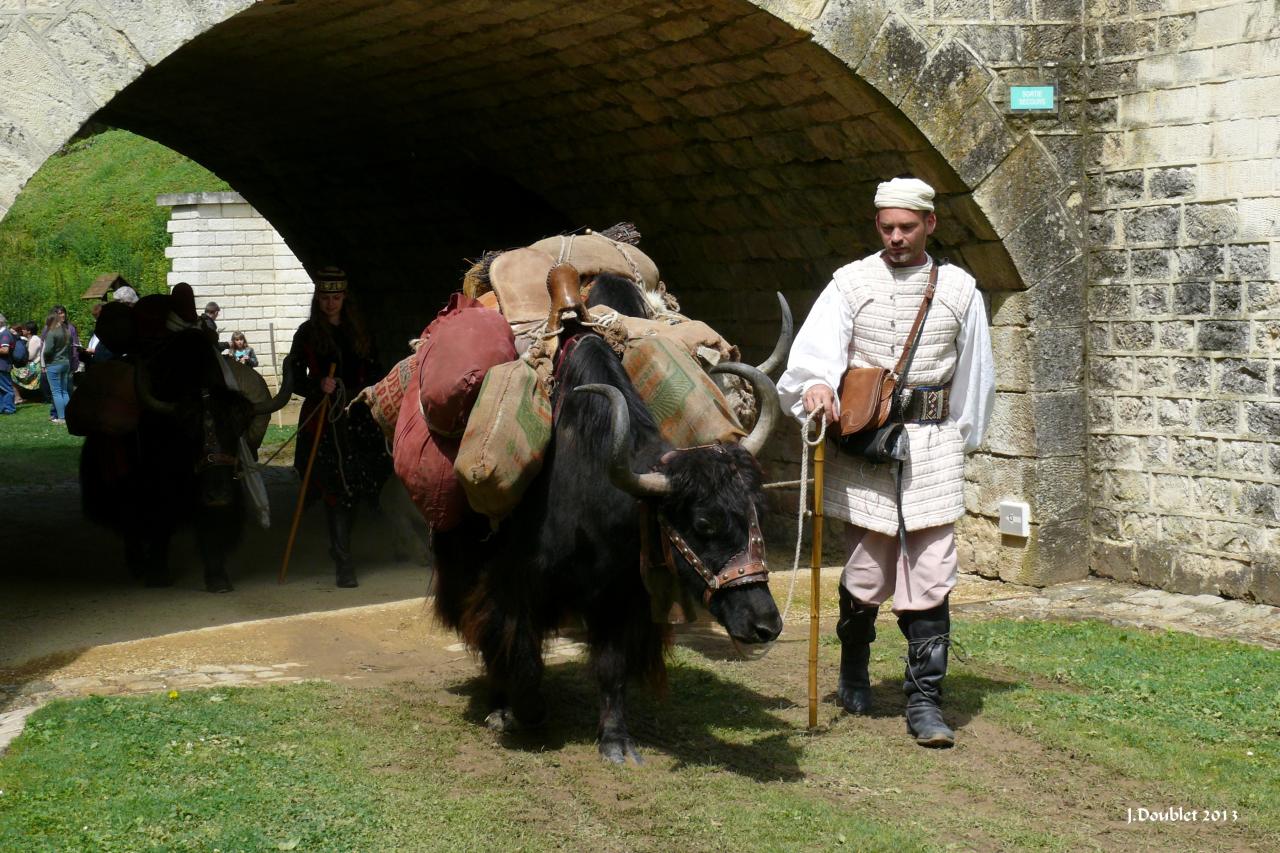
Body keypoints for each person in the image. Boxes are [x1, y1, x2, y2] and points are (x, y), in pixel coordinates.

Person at [778, 175, 995, 748]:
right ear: (877, 225)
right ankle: (854, 665)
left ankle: (925, 701)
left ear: (930, 224)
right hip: (868, 444)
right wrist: (818, 389)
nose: (897, 237)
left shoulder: (960, 290)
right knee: (868, 568)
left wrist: (959, 439)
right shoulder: (850, 284)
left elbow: (974, 374)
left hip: (932, 445)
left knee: (931, 571)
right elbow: (813, 358)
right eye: (887, 227)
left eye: (908, 227)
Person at [287, 267, 391, 587]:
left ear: (345, 297)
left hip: (357, 416)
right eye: (325, 298)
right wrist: (318, 383)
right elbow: (293, 375)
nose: (331, 303)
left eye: (336, 297)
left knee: (356, 486)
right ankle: (343, 561)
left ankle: (341, 548)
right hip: (322, 416)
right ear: (317, 298)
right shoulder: (307, 333)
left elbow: (376, 370)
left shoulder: (360, 331)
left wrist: (364, 392)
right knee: (334, 487)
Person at [42, 308, 74, 424]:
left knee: (56, 392)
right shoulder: (67, 331)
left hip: (54, 364)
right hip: (65, 363)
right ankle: (68, 416)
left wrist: (46, 359)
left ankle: (61, 418)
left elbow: (47, 351)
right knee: (64, 391)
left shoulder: (52, 333)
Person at [0, 313, 15, 415]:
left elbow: (5, 350)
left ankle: (9, 408)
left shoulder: (5, 334)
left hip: (3, 364)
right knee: (2, 389)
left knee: (6, 388)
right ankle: (3, 408)